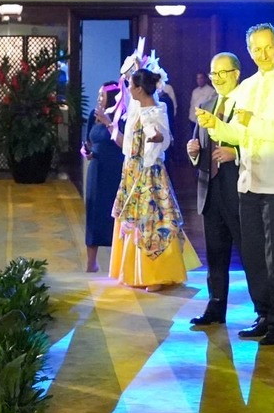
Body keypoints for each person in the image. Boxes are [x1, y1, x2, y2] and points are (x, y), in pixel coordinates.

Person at [197, 25, 274, 345]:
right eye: (256, 49)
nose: (263, 54)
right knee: (254, 254)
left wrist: (252, 123)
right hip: (248, 181)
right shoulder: (247, 86)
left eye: (268, 47)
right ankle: (263, 313)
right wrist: (216, 127)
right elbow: (238, 134)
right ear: (249, 52)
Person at [109, 70, 188, 289]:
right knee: (133, 218)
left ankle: (155, 275)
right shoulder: (136, 109)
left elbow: (163, 137)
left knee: (151, 221)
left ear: (139, 89)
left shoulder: (157, 110)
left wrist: (156, 137)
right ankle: (133, 272)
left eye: (131, 86)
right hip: (132, 169)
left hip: (149, 172)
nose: (128, 90)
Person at [186, 53, 243, 328]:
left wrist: (236, 153)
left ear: (236, 74)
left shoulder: (247, 104)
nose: (217, 78)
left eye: (223, 73)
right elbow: (199, 145)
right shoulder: (206, 106)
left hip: (239, 190)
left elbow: (259, 143)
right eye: (213, 73)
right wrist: (194, 152)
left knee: (250, 254)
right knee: (215, 254)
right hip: (210, 189)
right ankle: (215, 306)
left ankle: (266, 312)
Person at [82, 83, 123, 274]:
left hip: (114, 169)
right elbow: (88, 142)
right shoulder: (94, 115)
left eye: (102, 96)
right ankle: (91, 263)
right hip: (96, 168)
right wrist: (86, 151)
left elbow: (124, 143)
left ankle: (118, 262)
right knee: (93, 213)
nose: (99, 99)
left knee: (113, 213)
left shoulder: (121, 116)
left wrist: (108, 122)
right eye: (98, 95)